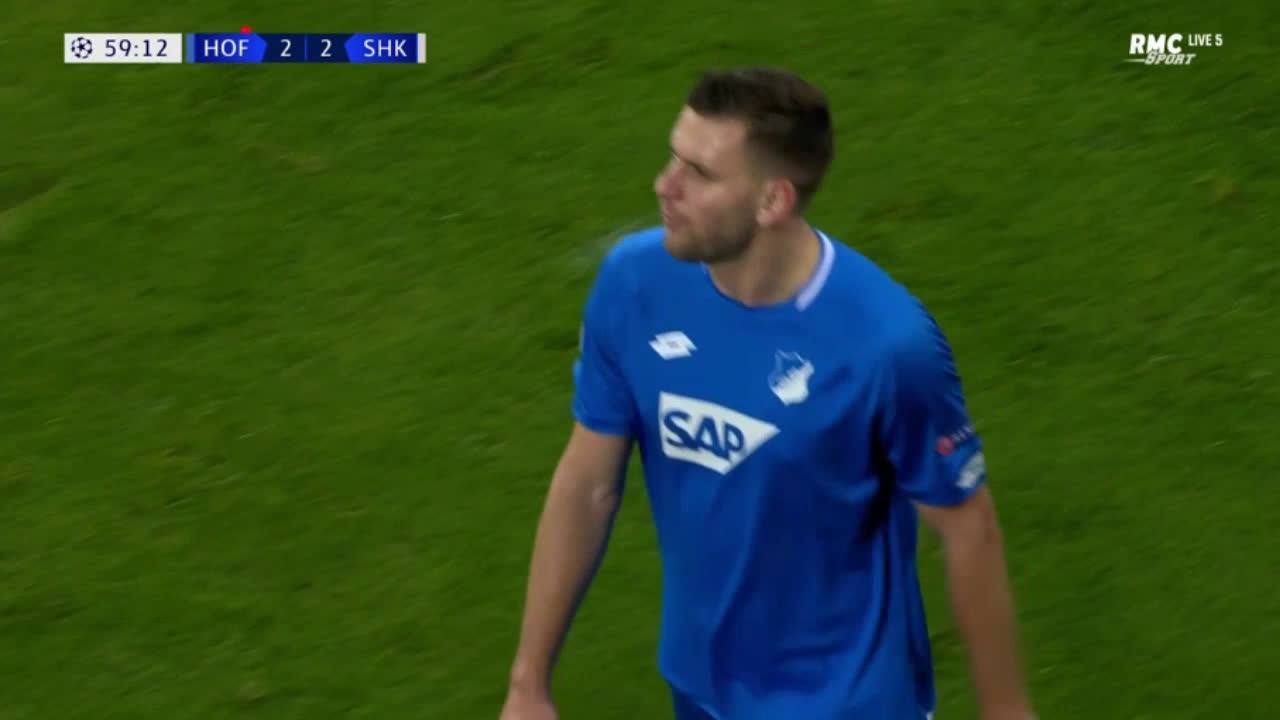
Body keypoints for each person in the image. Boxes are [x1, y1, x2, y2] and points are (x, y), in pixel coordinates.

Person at [499, 66, 1036, 720]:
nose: (665, 185)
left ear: (773, 201)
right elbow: (588, 484)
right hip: (700, 690)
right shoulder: (635, 285)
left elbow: (968, 527)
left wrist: (1006, 710)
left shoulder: (887, 345)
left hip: (846, 704)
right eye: (674, 157)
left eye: (700, 173)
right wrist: (528, 682)